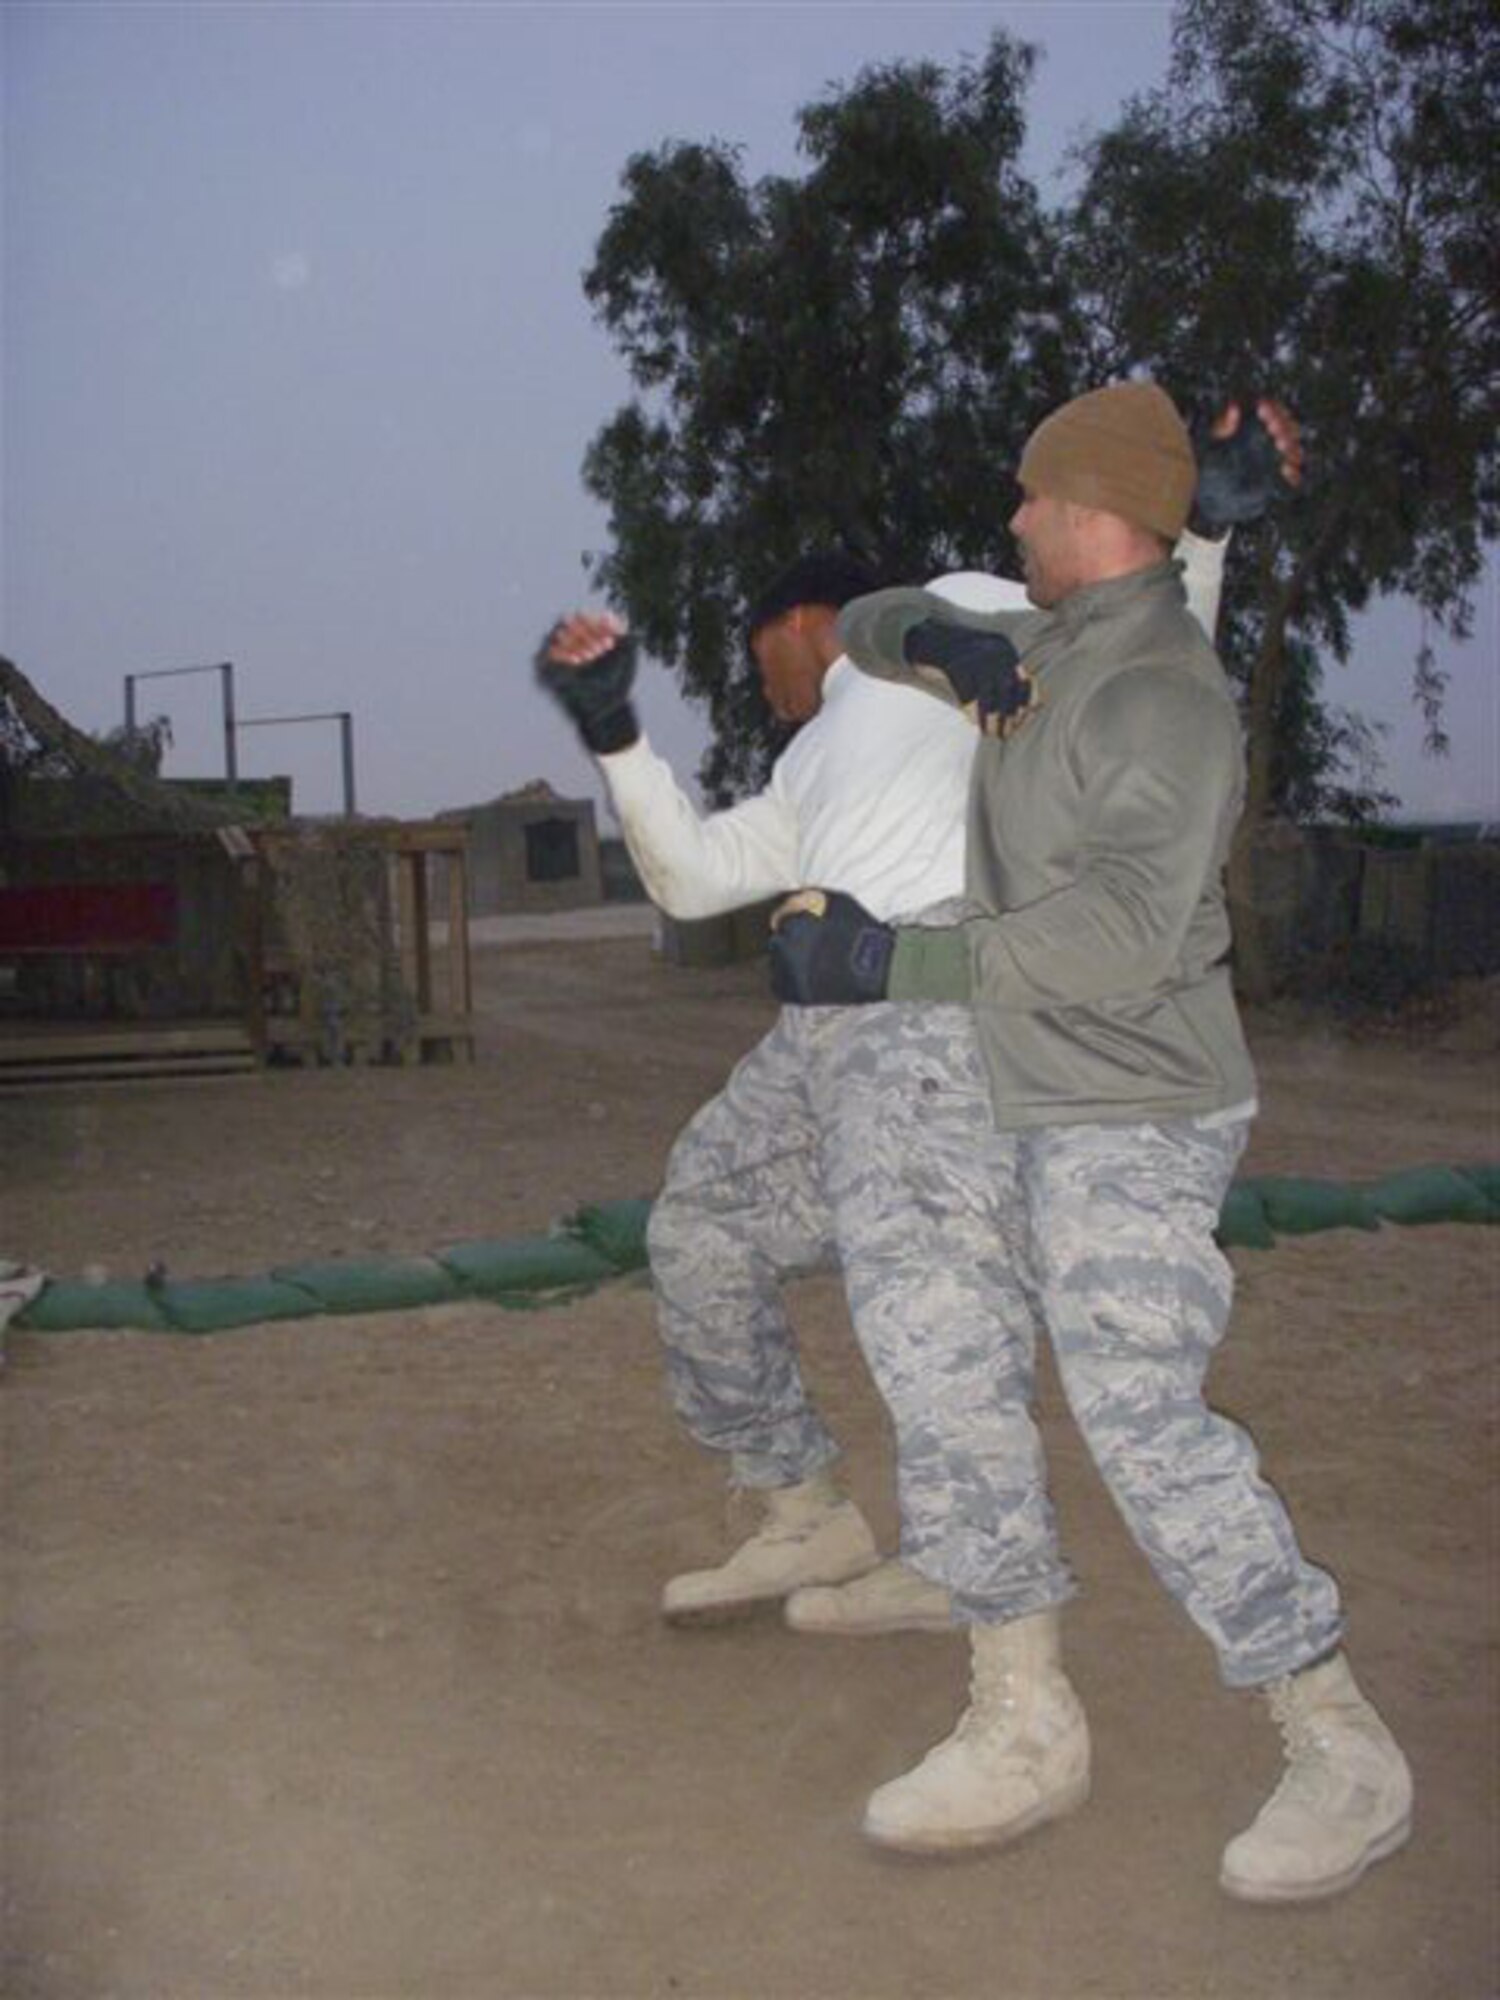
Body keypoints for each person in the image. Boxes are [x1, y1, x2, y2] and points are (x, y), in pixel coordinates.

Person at [768, 380, 1411, 1903]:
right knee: (937, 1341)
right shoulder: (1047, 649)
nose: (1010, 522)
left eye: (1030, 500)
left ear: (1095, 511)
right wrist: (944, 640)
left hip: (1133, 1100)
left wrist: (887, 964)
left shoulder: (1159, 698)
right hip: (1021, 1083)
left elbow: (1123, 934)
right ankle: (1021, 1714)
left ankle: (1336, 1732)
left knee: (1135, 1406)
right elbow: (863, 617)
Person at [535, 414, 1289, 1633]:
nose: (760, 685)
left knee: (926, 1294)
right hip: (825, 1014)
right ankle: (801, 1506)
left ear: (795, 623)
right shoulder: (808, 767)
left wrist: (1201, 536)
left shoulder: (972, 602)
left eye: (757, 655)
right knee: (699, 1225)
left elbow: (1140, 639)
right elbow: (686, 876)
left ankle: (971, 1570)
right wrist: (617, 736)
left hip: (932, 993)